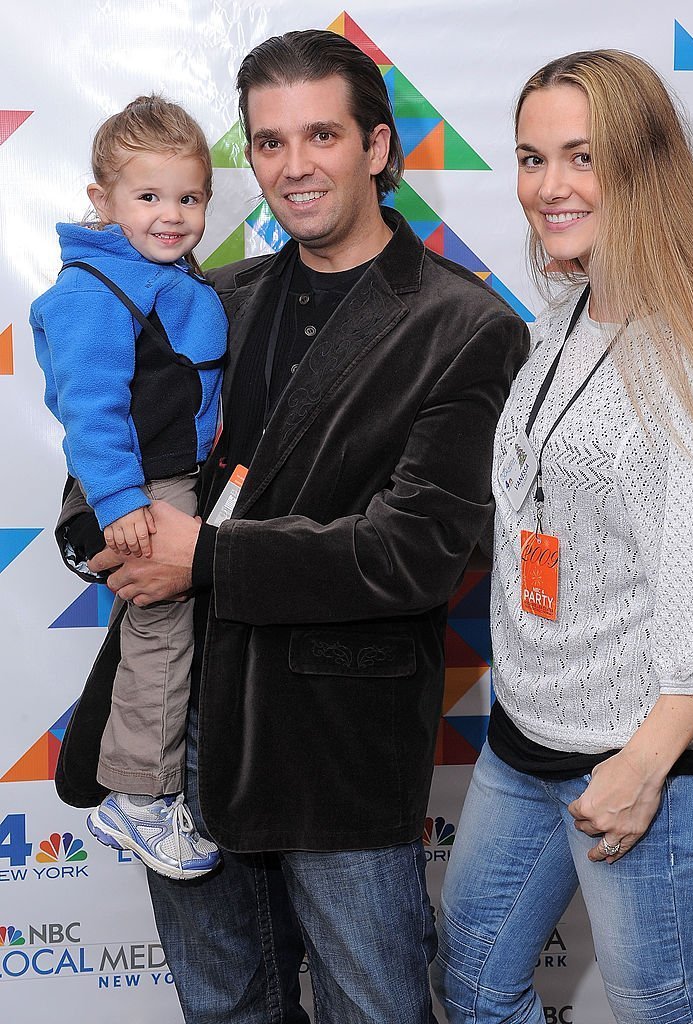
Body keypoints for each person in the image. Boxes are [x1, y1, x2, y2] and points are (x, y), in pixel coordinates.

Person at [55, 29, 528, 1024]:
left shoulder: (463, 326)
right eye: (269, 142)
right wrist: (103, 540)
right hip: (182, 744)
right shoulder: (211, 295)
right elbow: (111, 462)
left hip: (335, 748)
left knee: (374, 1008)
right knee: (225, 1008)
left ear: (378, 148)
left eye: (320, 134)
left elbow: (419, 553)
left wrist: (207, 556)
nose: (293, 165)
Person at [432, 50, 693, 1024]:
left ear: (643, 167)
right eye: (527, 157)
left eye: (578, 156)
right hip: (525, 735)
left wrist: (639, 769)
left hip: (645, 761)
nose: (545, 186)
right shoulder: (567, 312)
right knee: (473, 984)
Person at [32, 96, 227, 880]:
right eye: (149, 197)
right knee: (162, 629)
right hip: (144, 485)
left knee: (176, 629)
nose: (172, 215)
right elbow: (90, 408)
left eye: (190, 197)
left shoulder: (167, 274)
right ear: (102, 202)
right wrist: (118, 503)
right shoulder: (94, 291)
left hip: (186, 477)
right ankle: (138, 796)